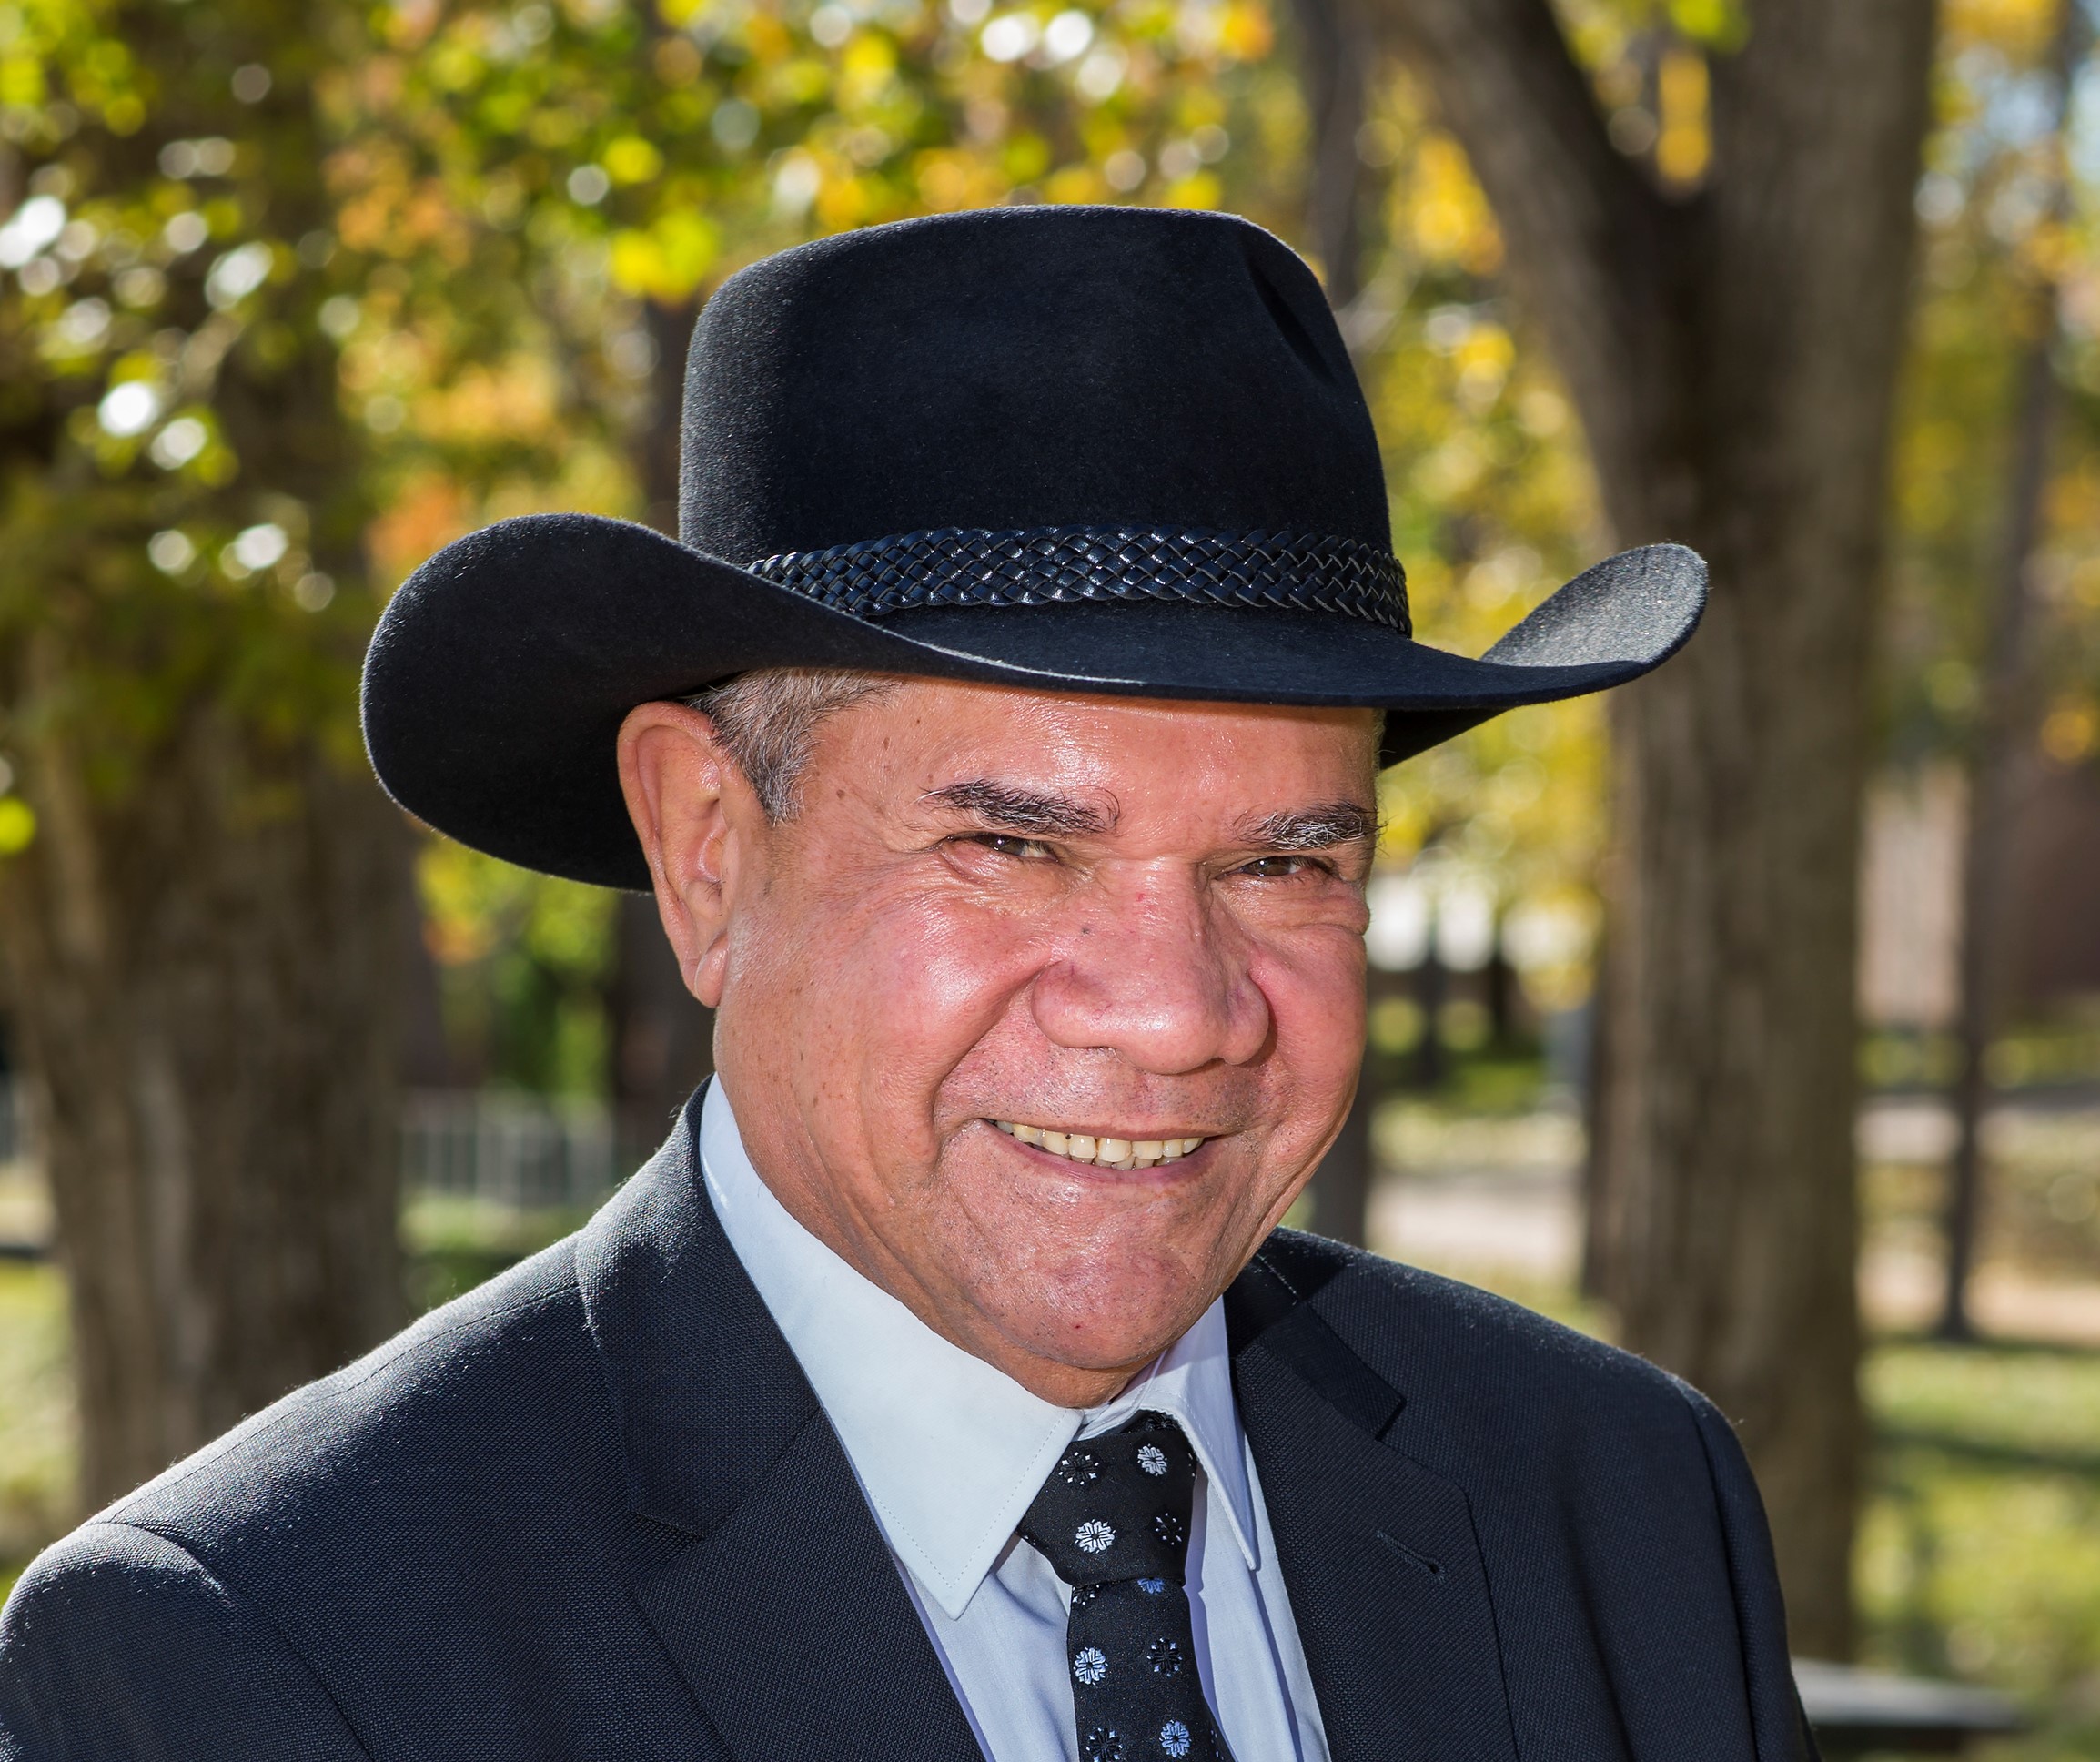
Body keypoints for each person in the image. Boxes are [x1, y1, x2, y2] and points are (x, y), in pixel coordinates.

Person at [0, 206, 1807, 1762]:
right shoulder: (265, 1651)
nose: (1176, 1010)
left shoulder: (1615, 1498)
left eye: (1283, 863)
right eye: (1011, 844)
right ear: (707, 848)